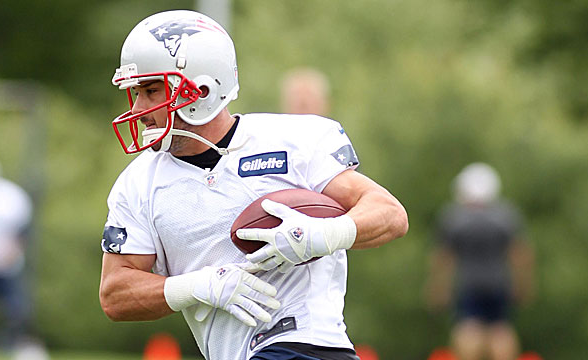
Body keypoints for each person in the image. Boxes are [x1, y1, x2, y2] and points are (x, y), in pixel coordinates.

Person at [98, 10, 408, 360]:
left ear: (201, 90)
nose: (140, 107)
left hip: (310, 347)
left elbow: (389, 214)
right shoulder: (139, 183)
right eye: (137, 91)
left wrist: (318, 235)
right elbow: (115, 293)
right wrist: (199, 285)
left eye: (151, 90)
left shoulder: (296, 140)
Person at [425, 163, 534, 360]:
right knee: (500, 329)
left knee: (469, 328)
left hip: (469, 284)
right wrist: (523, 285)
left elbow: (443, 258)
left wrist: (438, 288)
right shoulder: (505, 216)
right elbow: (520, 254)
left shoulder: (454, 218)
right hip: (499, 283)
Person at [0, 156, 35, 352]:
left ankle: (12, 345)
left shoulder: (11, 196)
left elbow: (24, 230)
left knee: (16, 309)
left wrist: (14, 251)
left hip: (7, 265)